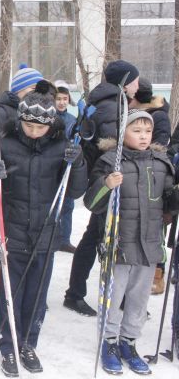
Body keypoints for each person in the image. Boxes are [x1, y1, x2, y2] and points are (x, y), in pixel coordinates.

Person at [0, 80, 87, 376]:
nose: (35, 131)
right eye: (29, 125)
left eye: (41, 127)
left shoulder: (61, 147)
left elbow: (75, 191)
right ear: (20, 120)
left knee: (36, 296)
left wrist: (77, 164)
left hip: (45, 234)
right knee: (11, 294)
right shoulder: (5, 144)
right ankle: (8, 346)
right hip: (12, 231)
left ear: (51, 125)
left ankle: (27, 343)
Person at [83, 108, 179, 375]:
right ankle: (109, 342)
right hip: (118, 244)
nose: (144, 136)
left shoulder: (161, 163)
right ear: (122, 133)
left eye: (148, 131)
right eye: (136, 131)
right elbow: (92, 203)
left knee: (139, 300)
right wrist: (106, 184)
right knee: (113, 298)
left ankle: (129, 342)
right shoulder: (109, 161)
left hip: (149, 245)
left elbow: (169, 205)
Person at [64, 59, 140, 317]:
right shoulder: (112, 105)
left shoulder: (108, 101)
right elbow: (115, 146)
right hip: (108, 181)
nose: (138, 85)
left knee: (97, 237)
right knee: (98, 238)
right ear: (124, 82)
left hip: (105, 179)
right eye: (134, 80)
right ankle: (76, 294)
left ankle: (95, 294)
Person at [0, 64, 44, 329]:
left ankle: (7, 307)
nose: (37, 94)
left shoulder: (33, 113)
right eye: (32, 88)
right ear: (19, 90)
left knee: (10, 258)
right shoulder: (0, 113)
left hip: (19, 201)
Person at [129, 77, 172, 295]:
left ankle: (157, 273)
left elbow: (164, 144)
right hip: (136, 173)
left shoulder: (159, 116)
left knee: (156, 230)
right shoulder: (132, 114)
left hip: (155, 174)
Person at [54, 80, 78, 254]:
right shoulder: (48, 117)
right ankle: (51, 238)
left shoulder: (72, 120)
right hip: (52, 167)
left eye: (65, 98)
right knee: (52, 204)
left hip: (67, 167)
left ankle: (64, 240)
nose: (62, 102)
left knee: (68, 205)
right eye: (58, 98)